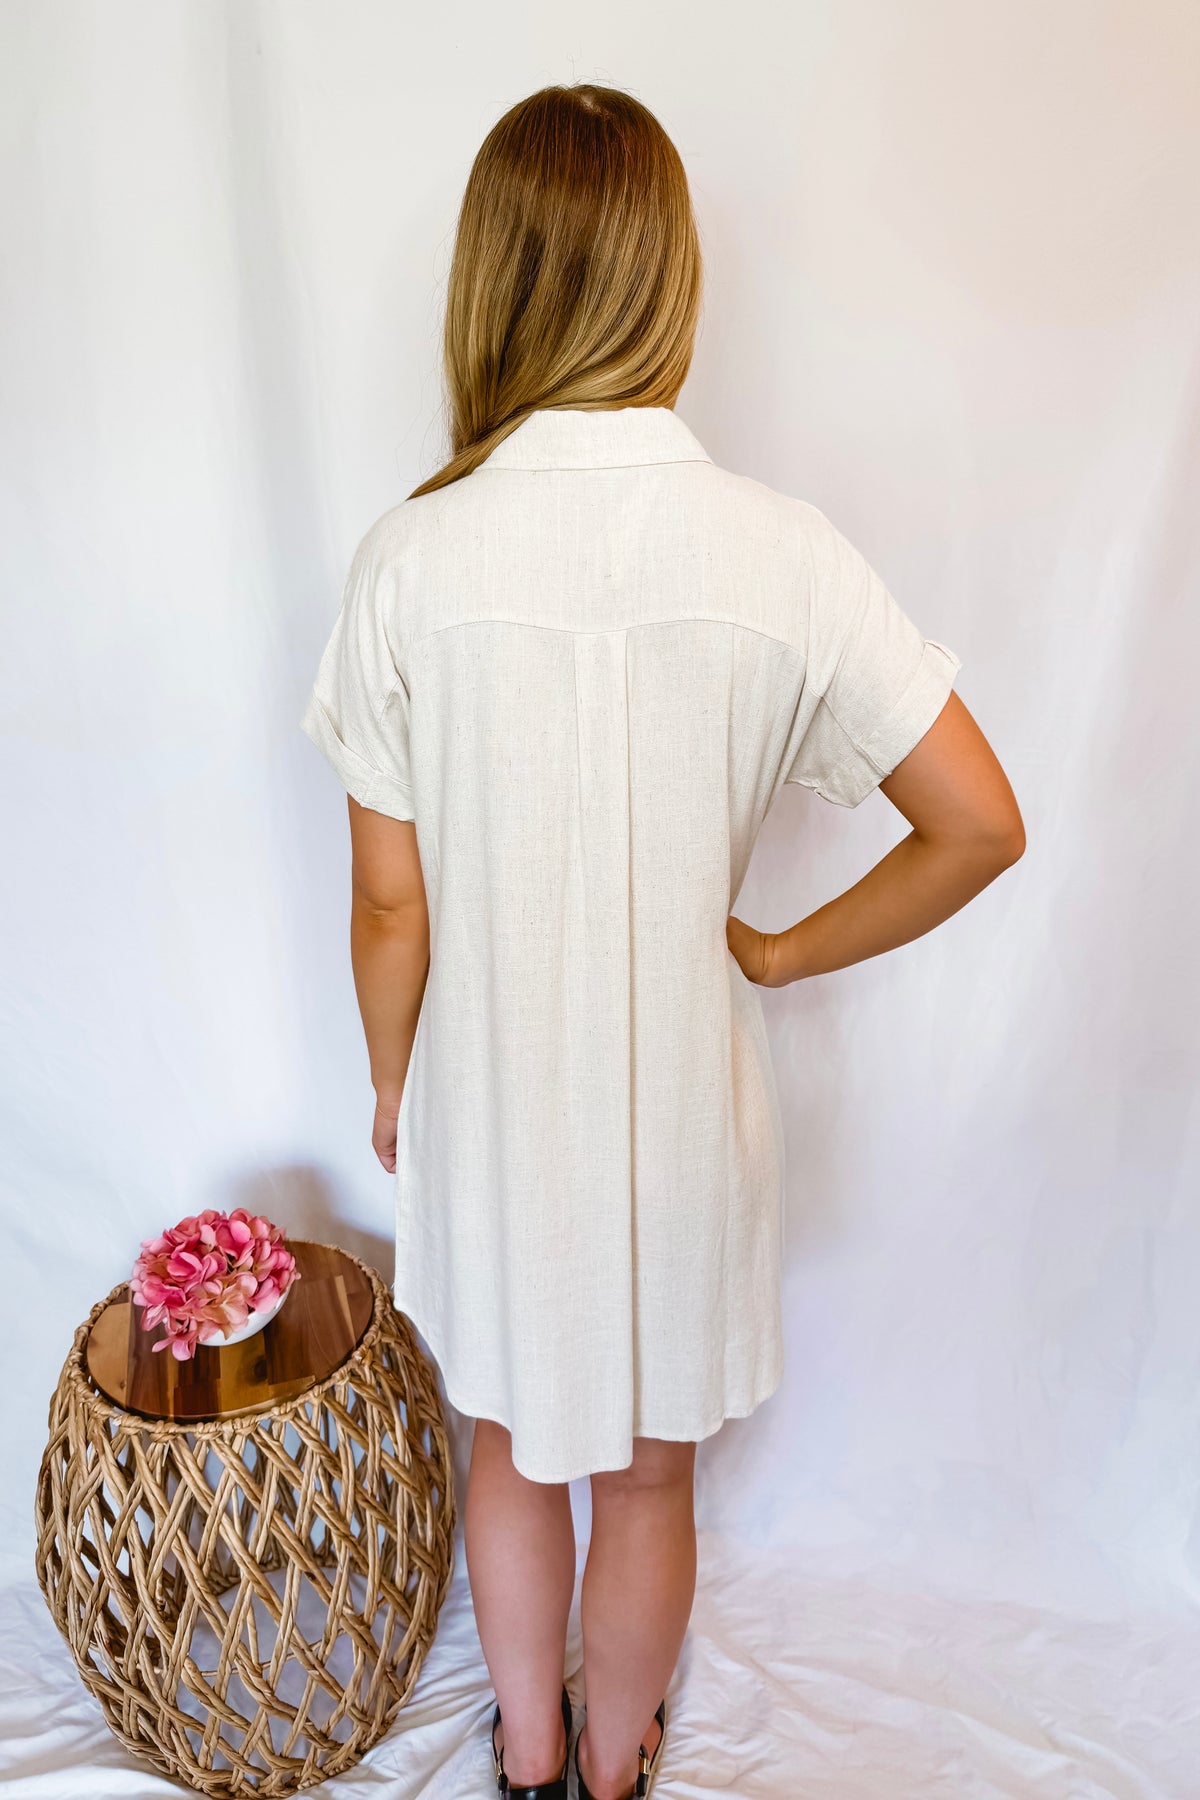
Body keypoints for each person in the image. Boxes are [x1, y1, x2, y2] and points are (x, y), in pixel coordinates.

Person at [300, 80, 1025, 1800]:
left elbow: (393, 902)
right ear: (667, 276)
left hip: (493, 1107)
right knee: (643, 1474)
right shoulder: (785, 555)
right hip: (684, 1119)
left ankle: (527, 1753)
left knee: (507, 1441)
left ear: (492, 281)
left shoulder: (410, 560)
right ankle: (620, 1770)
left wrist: (394, 1079)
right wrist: (771, 956)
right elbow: (982, 821)